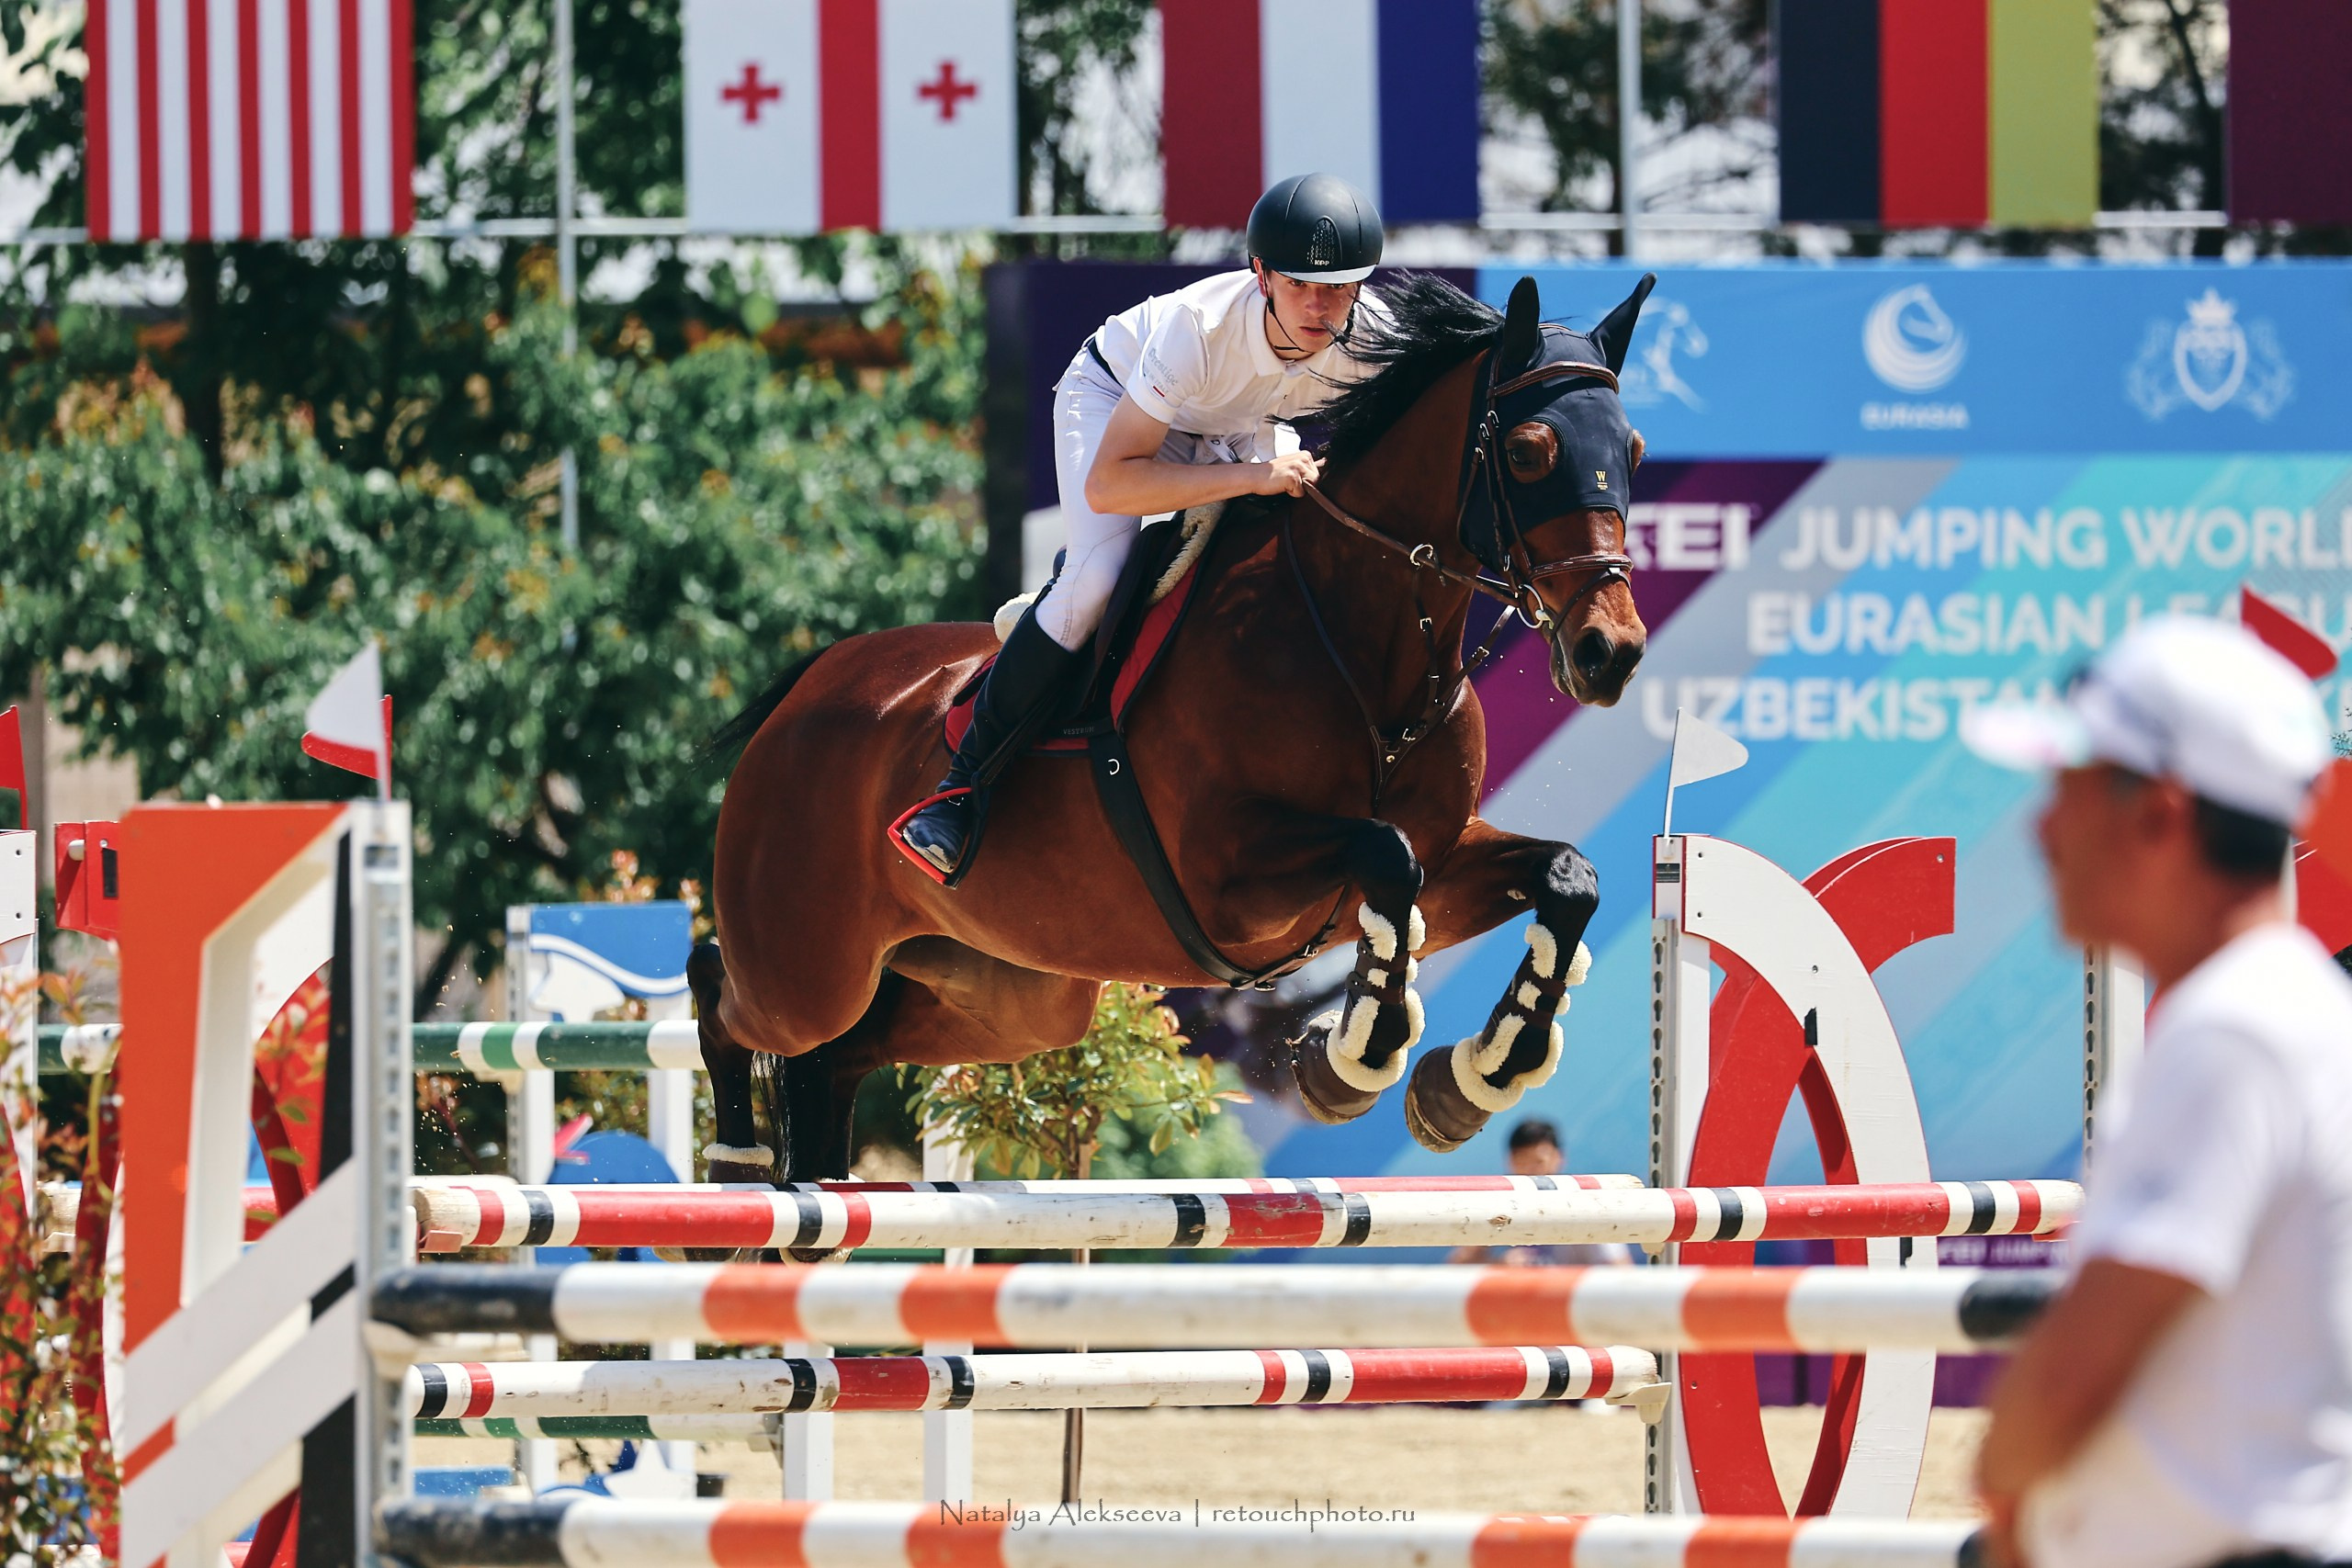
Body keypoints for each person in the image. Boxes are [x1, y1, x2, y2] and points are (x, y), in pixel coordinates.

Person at [1960, 615, 2351, 1568]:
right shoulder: (2290, 1007)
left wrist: (2009, 1495)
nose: (2040, 827)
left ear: (2159, 816)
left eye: (2068, 790)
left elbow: (2068, 1379)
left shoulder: (2234, 1029)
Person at [891, 172, 1389, 885]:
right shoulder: (1200, 330)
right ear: (1260, 275)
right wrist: (1251, 478)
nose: (1319, 306)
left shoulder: (1371, 339)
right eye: (1299, 284)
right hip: (1113, 408)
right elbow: (1114, 481)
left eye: (1339, 286)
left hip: (1232, 424)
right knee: (1097, 578)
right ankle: (960, 790)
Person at [1448, 1118, 1634, 1269]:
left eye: (1538, 1161)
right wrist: (1497, 1267)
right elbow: (1457, 1265)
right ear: (1510, 1161)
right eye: (1524, 1161)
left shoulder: (1582, 1205)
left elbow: (1621, 1271)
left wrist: (1560, 1280)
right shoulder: (1502, 1204)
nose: (1531, 1171)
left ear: (1558, 1158)